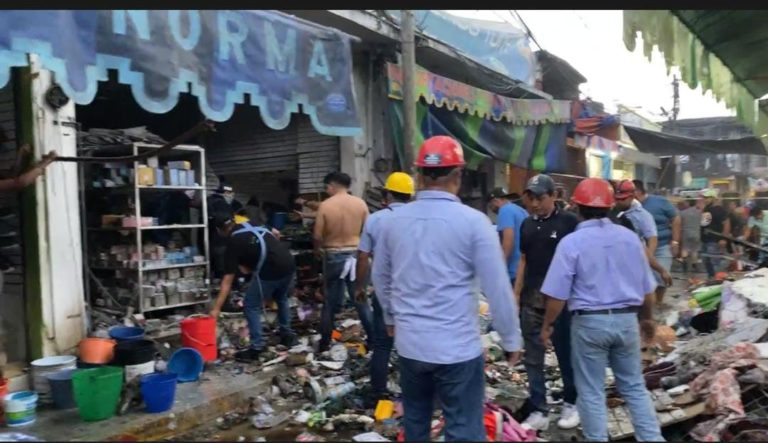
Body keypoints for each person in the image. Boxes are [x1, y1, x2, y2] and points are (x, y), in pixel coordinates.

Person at [371, 136, 522, 442]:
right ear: (458, 175)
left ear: (420, 175)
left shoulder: (392, 222)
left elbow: (380, 276)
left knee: (415, 424)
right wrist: (510, 339)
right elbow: (497, 287)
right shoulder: (475, 222)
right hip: (457, 350)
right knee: (463, 429)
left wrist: (389, 317)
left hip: (411, 346)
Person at [539, 177, 664, 442]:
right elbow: (647, 290)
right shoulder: (631, 239)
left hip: (589, 324)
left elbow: (557, 296)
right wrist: (647, 320)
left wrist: (548, 325)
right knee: (634, 387)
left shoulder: (571, 243)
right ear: (610, 206)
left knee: (591, 391)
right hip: (626, 321)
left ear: (577, 207)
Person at [513, 174, 580, 431]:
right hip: (532, 299)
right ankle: (539, 408)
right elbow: (524, 260)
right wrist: (516, 293)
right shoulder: (527, 224)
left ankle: (571, 402)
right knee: (533, 357)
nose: (535, 204)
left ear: (553, 196)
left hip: (561, 301)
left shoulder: (569, 222)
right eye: (531, 198)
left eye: (540, 198)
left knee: (566, 352)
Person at [354, 172, 415, 407]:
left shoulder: (375, 219)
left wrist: (360, 286)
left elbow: (362, 257)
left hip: (385, 290)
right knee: (414, 341)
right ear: (410, 195)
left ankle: (378, 393)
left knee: (382, 343)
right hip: (414, 290)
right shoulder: (419, 218)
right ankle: (416, 392)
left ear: (388, 194)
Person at [209, 211, 298, 362]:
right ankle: (287, 335)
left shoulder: (233, 242)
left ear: (219, 230)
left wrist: (216, 308)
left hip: (271, 269)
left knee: (251, 305)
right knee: (281, 297)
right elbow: (276, 234)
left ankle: (257, 348)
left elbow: (227, 280)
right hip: (288, 263)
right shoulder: (252, 222)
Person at [314, 172, 373, 352]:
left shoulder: (325, 205)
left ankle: (324, 343)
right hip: (357, 256)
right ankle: (373, 340)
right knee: (361, 300)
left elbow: (317, 235)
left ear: (332, 185)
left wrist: (318, 250)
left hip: (333, 255)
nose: (327, 190)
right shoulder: (360, 204)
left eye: (327, 187)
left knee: (330, 303)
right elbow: (369, 231)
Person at [614, 180, 673, 289]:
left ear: (632, 197)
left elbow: (652, 240)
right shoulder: (611, 212)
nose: (619, 202)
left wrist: (648, 262)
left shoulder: (643, 216)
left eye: (623, 199)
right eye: (617, 199)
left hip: (634, 260)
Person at [633, 180, 680, 304]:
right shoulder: (628, 207)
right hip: (637, 249)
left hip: (661, 246)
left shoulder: (660, 202)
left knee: (660, 279)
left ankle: (657, 304)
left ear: (638, 191)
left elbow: (676, 218)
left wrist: (675, 241)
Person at [488, 187, 529, 288]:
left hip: (513, 272)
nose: (491, 209)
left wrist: (500, 269)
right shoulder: (522, 211)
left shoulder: (504, 210)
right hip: (524, 271)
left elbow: (508, 242)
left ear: (495, 201)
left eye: (490, 205)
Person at [700, 189, 731, 278]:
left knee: (714, 262)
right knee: (706, 261)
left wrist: (723, 238)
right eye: (704, 198)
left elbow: (726, 223)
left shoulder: (719, 210)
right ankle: (712, 277)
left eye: (707, 198)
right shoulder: (706, 209)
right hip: (705, 240)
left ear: (713, 198)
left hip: (715, 240)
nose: (705, 200)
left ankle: (718, 278)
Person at [679, 199, 702, 273]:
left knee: (685, 249)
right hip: (696, 233)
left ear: (688, 203)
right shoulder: (699, 212)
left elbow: (680, 223)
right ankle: (694, 265)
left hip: (686, 233)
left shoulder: (683, 213)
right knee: (694, 250)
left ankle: (684, 265)